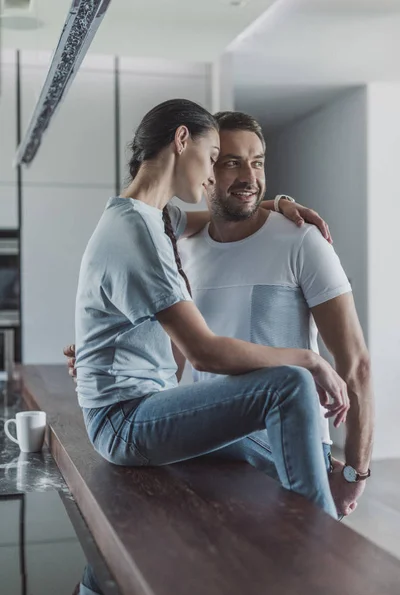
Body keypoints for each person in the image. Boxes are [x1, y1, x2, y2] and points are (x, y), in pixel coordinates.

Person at [72, 98, 350, 519]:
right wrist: (310, 360)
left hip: (135, 409)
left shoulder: (153, 217)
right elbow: (203, 352)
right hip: (125, 421)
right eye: (214, 158)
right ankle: (320, 544)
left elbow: (215, 216)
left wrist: (276, 204)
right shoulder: (138, 231)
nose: (209, 175)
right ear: (182, 140)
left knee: (281, 447)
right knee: (289, 384)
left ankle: (317, 519)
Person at [173, 111, 373, 519]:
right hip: (206, 449)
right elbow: (179, 355)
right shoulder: (184, 247)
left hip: (288, 451)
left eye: (257, 161)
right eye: (231, 162)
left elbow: (356, 366)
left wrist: (354, 474)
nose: (249, 175)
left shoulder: (301, 241)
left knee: (298, 575)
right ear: (204, 169)